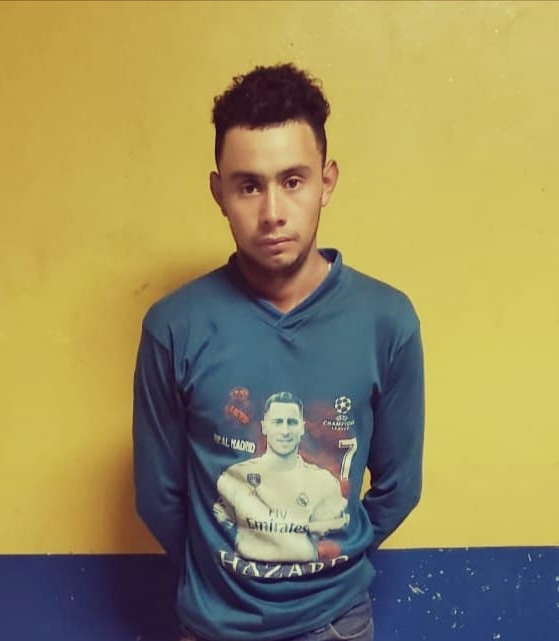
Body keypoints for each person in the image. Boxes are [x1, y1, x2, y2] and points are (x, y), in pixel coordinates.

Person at [133, 63, 424, 641]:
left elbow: (398, 487)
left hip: (336, 623)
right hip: (213, 626)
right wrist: (222, 580)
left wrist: (329, 562)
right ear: (219, 193)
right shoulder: (174, 327)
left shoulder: (386, 322)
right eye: (249, 185)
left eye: (293, 181)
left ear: (327, 182)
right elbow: (159, 497)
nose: (272, 212)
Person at [213, 391, 350, 562]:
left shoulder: (324, 483)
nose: (285, 431)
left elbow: (334, 538)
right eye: (277, 422)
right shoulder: (233, 477)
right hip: (241, 575)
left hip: (314, 574)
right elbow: (216, 528)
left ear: (302, 427)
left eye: (291, 422)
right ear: (264, 427)